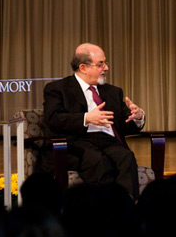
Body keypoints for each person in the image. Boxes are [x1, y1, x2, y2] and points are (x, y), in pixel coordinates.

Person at [44, 43, 145, 199]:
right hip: (75, 142)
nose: (106, 68)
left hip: (107, 141)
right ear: (83, 67)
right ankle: (102, 212)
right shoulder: (57, 89)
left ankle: (127, 209)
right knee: (99, 161)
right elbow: (53, 118)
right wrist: (86, 118)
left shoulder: (113, 92)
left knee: (126, 157)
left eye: (105, 63)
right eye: (100, 64)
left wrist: (137, 117)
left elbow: (126, 124)